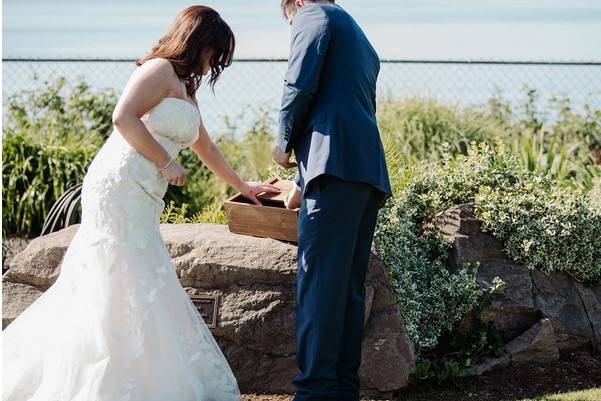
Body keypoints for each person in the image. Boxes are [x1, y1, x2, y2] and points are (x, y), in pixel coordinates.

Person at [2, 6, 280, 401]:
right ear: (198, 42)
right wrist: (166, 161)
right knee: (119, 272)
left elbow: (206, 146)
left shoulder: (185, 88)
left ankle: (137, 374)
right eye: (213, 54)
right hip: (120, 184)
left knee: (134, 275)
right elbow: (123, 118)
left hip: (145, 191)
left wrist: (243, 184)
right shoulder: (158, 70)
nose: (213, 64)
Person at [273, 1, 392, 401]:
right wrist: (299, 180)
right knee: (345, 288)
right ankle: (341, 390)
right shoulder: (358, 34)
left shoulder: (313, 14)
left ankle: (315, 392)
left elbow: (300, 84)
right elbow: (339, 104)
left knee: (320, 284)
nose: (292, 25)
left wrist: (283, 140)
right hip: (364, 169)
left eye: (287, 19)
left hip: (334, 168)